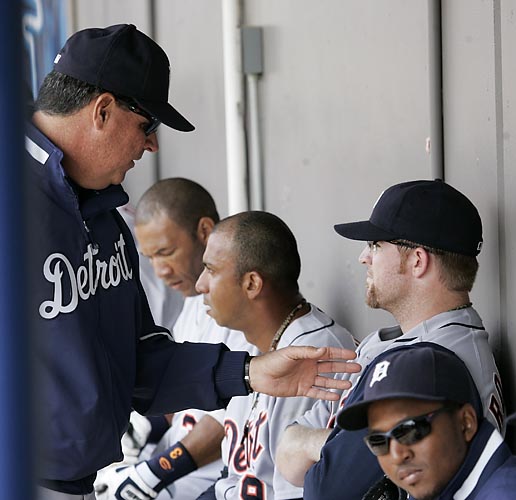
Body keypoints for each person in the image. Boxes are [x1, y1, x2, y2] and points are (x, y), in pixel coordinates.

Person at [27, 24, 360, 499]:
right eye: (147, 126)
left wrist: (249, 372)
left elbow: (139, 359)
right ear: (103, 110)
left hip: (76, 480)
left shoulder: (103, 216)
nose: (152, 146)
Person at [275, 179, 505, 500]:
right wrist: (330, 444)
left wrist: (308, 442)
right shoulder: (405, 343)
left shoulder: (432, 363)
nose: (363, 258)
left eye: (375, 245)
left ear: (417, 261)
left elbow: (325, 488)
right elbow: (283, 457)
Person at [95, 177, 256, 500]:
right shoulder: (192, 304)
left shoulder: (245, 302)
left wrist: (157, 470)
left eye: (166, 252)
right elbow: (180, 396)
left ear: (204, 231)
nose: (160, 270)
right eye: (150, 257)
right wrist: (145, 429)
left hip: (214, 478)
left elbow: (233, 414)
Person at [194, 211, 357, 499]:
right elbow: (233, 478)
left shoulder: (316, 355)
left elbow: (294, 491)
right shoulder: (252, 347)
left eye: (211, 270)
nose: (200, 285)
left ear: (252, 284)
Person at [337, 343, 516, 500]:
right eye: (378, 441)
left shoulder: (503, 494)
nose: (397, 455)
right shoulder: (442, 484)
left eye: (409, 430)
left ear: (466, 423)